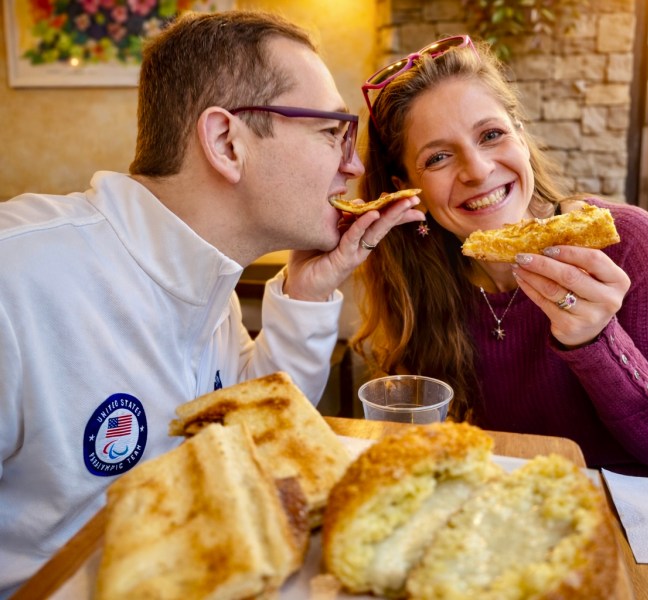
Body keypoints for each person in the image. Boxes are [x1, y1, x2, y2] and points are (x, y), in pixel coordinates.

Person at [0, 10, 423, 596]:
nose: (353, 165)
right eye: (332, 131)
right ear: (227, 142)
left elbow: (251, 431)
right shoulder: (15, 279)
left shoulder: (206, 277)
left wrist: (308, 291)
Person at [353, 35, 648, 482]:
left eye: (491, 135)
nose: (478, 170)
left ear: (521, 138)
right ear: (409, 189)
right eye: (439, 157)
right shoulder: (419, 286)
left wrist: (594, 340)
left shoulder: (628, 242)